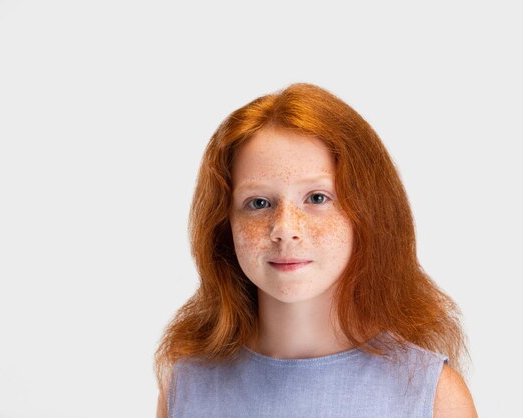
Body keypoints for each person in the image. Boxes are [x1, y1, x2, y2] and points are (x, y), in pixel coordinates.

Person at [154, 83, 477, 417]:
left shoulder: (432, 396)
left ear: (367, 213)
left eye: (317, 198)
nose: (285, 230)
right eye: (259, 202)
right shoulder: (186, 389)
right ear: (224, 224)